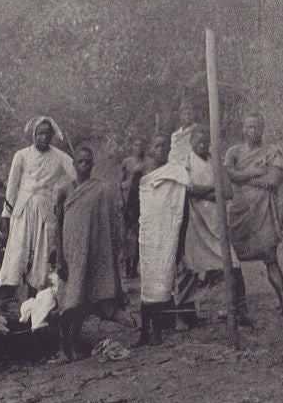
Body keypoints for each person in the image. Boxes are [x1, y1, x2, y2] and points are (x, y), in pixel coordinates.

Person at [224, 112, 283, 317]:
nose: (252, 131)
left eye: (256, 127)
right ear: (243, 129)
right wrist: (255, 173)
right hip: (239, 212)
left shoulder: (271, 151)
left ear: (262, 129)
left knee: (270, 257)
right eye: (248, 127)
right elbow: (229, 175)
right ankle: (238, 309)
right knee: (233, 260)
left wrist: (245, 179)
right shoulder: (233, 152)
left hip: (262, 212)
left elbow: (274, 180)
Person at [55, 146, 126, 360]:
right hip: (71, 253)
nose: (85, 165)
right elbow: (58, 224)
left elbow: (108, 222)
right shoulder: (64, 190)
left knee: (84, 300)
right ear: (74, 164)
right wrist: (59, 257)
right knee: (69, 300)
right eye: (81, 161)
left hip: (92, 253)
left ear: (93, 164)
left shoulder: (101, 190)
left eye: (88, 161)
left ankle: (74, 342)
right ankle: (63, 345)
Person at [0, 116, 76, 296]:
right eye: (40, 134)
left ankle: (34, 298)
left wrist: (64, 196)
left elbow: (76, 175)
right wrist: (6, 215)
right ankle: (7, 295)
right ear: (34, 135)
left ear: (52, 136)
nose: (43, 138)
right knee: (17, 251)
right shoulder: (21, 156)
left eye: (47, 134)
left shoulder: (59, 157)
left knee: (42, 253)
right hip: (23, 209)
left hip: (45, 210)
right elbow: (12, 186)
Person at [182, 126, 250, 326]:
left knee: (233, 263)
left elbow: (228, 192)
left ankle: (240, 309)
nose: (202, 145)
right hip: (198, 223)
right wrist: (214, 190)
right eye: (198, 141)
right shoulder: (187, 164)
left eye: (205, 141)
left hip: (217, 221)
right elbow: (188, 191)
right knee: (194, 266)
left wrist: (205, 191)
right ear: (191, 142)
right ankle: (187, 313)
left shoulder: (215, 162)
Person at [134, 133, 189, 346]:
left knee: (163, 282)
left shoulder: (174, 173)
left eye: (164, 146)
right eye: (157, 145)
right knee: (147, 284)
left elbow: (180, 204)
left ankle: (157, 332)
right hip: (147, 231)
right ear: (150, 148)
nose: (161, 149)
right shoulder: (141, 172)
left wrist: (178, 237)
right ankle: (143, 333)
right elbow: (131, 201)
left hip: (167, 233)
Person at [119, 137, 149, 277]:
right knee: (125, 235)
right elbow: (120, 182)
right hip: (126, 201)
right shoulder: (127, 162)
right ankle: (126, 265)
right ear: (132, 147)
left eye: (141, 145)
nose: (139, 148)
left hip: (140, 201)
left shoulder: (148, 163)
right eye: (136, 145)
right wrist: (121, 200)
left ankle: (134, 266)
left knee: (139, 234)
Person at [169, 100, 197, 168]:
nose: (187, 116)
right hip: (176, 163)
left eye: (189, 114)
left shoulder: (197, 130)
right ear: (181, 117)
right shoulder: (176, 135)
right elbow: (174, 151)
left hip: (193, 163)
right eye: (184, 114)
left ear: (193, 115)